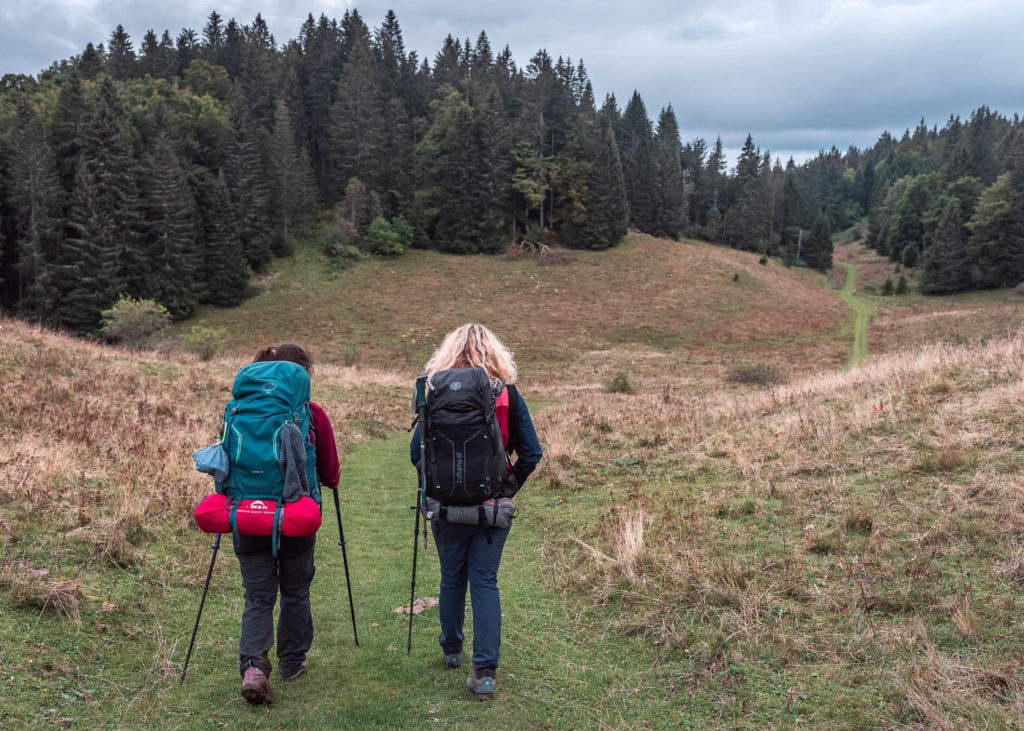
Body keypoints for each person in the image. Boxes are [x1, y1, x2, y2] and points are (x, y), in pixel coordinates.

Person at [410, 323, 542, 700]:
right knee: (484, 582)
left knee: (452, 577)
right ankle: (484, 673)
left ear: (447, 352)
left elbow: (416, 455)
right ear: (496, 353)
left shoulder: (433, 393)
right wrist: (506, 487)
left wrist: (438, 485)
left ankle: (451, 651)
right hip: (492, 508)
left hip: (445, 507)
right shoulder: (507, 395)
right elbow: (532, 453)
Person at [236, 344, 341, 705]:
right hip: (295, 515)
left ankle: (253, 668)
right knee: (295, 589)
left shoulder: (239, 411)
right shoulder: (311, 414)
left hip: (247, 514)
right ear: (301, 376)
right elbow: (329, 471)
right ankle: (292, 663)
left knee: (258, 594)